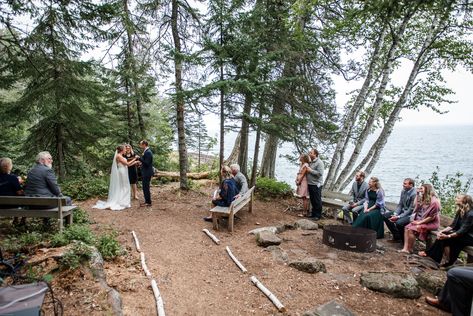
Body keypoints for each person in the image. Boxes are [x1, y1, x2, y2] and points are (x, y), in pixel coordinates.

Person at [419, 194, 473, 267]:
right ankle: (436, 259)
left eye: (458, 198)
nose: (455, 199)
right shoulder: (460, 210)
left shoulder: (470, 214)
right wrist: (441, 232)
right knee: (442, 236)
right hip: (462, 234)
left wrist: (448, 236)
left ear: (464, 201)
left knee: (446, 239)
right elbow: (453, 225)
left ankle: (434, 257)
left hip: (469, 237)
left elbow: (462, 230)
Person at [93, 145, 138, 211]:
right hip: (122, 172)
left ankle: (123, 200)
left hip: (124, 171)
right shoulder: (118, 156)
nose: (126, 150)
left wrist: (135, 162)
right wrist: (135, 158)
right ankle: (122, 201)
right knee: (124, 186)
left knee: (124, 186)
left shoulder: (121, 156)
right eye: (125, 149)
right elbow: (127, 164)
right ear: (122, 150)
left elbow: (127, 165)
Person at [399, 183, 440, 254]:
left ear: (427, 190)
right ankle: (405, 248)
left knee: (412, 229)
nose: (420, 190)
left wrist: (419, 223)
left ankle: (410, 249)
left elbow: (431, 217)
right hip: (422, 220)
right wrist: (417, 194)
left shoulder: (434, 202)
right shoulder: (423, 198)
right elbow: (415, 205)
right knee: (406, 228)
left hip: (431, 223)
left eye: (421, 189)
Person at [383, 178, 417, 243]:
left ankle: (404, 241)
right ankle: (397, 236)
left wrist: (398, 217)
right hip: (402, 211)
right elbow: (400, 205)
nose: (403, 185)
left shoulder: (414, 194)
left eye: (405, 184)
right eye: (403, 183)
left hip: (410, 214)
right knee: (386, 216)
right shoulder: (403, 191)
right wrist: (395, 214)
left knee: (399, 223)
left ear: (411, 185)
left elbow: (410, 210)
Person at [0, 158, 25, 225]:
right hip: (10, 205)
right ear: (9, 166)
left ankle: (16, 219)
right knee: (22, 196)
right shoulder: (13, 178)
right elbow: (19, 193)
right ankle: (21, 220)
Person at [306, 148, 324, 220]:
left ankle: (317, 215)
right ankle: (313, 214)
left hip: (316, 184)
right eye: (309, 152)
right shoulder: (311, 162)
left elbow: (320, 174)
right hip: (310, 183)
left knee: (317, 200)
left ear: (315, 154)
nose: (309, 154)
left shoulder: (319, 162)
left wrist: (311, 171)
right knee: (312, 200)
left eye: (311, 153)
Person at [138, 140, 154, 207]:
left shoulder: (148, 152)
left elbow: (147, 163)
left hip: (147, 173)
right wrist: (141, 164)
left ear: (144, 145)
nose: (140, 146)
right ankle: (147, 201)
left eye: (140, 144)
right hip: (145, 172)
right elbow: (146, 163)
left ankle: (148, 202)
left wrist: (139, 158)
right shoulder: (146, 152)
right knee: (145, 187)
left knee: (146, 187)